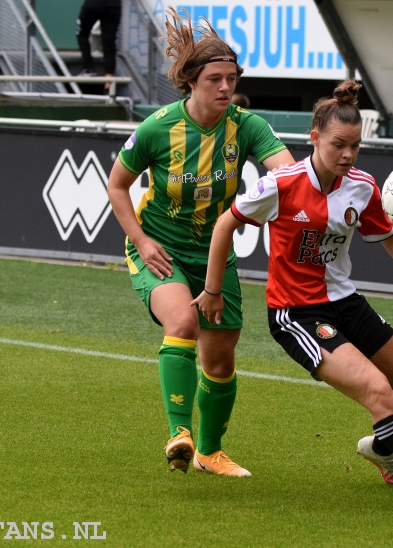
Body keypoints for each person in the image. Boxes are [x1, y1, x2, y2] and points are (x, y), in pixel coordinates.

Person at [192, 80, 393, 517]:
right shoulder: (281, 184)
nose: (347, 155)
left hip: (345, 302)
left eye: (355, 147)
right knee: (379, 392)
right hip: (296, 313)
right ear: (314, 138)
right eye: (338, 145)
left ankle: (381, 447)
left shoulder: (362, 186)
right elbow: (225, 226)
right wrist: (213, 291)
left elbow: (391, 239)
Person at [107, 7, 294, 478]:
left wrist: (261, 203)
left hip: (214, 253)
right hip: (161, 248)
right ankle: (178, 434)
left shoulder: (247, 126)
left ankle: (211, 451)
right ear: (192, 81)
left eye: (231, 78)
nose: (226, 87)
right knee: (183, 320)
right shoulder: (157, 128)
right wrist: (140, 240)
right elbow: (117, 185)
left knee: (221, 354)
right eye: (215, 78)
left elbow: (287, 175)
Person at [76, 0, 121, 87]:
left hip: (93, 4)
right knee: (109, 42)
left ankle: (89, 68)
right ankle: (109, 85)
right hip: (113, 5)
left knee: (82, 33)